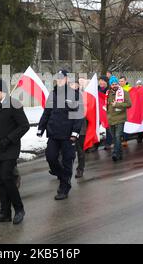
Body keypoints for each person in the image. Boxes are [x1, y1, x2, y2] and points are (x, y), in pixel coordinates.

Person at [0, 79, 30, 225]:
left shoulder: (14, 104)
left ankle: (19, 209)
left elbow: (24, 126)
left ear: (3, 91)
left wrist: (9, 139)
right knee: (0, 180)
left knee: (7, 177)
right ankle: (5, 212)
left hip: (10, 148)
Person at [38, 70, 83, 200]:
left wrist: (75, 133)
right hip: (53, 133)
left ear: (67, 79)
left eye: (62, 78)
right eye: (57, 78)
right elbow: (47, 112)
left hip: (68, 135)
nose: (59, 80)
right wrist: (41, 127)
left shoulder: (75, 95)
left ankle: (64, 187)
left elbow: (78, 116)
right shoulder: (53, 94)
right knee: (50, 157)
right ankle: (64, 176)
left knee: (67, 160)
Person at [106, 76, 132, 161]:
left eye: (116, 84)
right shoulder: (108, 93)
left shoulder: (124, 92)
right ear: (110, 85)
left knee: (117, 136)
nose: (114, 85)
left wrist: (117, 104)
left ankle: (115, 153)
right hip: (111, 119)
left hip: (120, 118)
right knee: (115, 138)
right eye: (113, 84)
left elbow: (129, 104)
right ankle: (120, 154)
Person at [70, 80, 87, 178]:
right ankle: (63, 169)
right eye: (72, 85)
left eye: (76, 85)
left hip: (80, 127)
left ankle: (80, 169)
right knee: (67, 151)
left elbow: (85, 111)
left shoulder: (83, 97)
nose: (74, 87)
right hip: (69, 128)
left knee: (80, 150)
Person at [98, 76, 113, 150]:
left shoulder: (110, 90)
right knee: (95, 127)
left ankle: (108, 143)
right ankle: (95, 144)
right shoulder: (96, 89)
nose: (101, 82)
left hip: (107, 111)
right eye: (100, 80)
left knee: (108, 127)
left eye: (103, 81)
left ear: (107, 82)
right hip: (97, 111)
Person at [118, 76, 131, 146]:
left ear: (125, 81)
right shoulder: (118, 89)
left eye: (122, 81)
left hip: (127, 109)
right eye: (119, 81)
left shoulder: (129, 89)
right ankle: (120, 139)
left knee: (126, 125)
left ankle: (125, 140)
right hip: (119, 110)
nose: (120, 83)